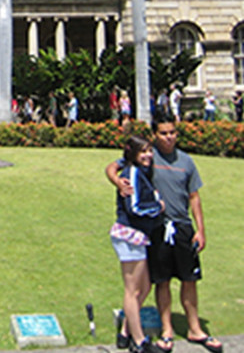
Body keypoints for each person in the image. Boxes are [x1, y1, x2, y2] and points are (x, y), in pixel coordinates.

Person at [106, 117, 222, 353]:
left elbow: (194, 197)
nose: (168, 137)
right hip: (157, 228)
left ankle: (194, 328)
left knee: (189, 278)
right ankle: (165, 330)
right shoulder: (145, 157)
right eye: (163, 133)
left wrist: (201, 229)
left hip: (182, 226)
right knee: (161, 280)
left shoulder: (186, 161)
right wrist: (118, 182)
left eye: (172, 132)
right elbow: (113, 167)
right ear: (155, 135)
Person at [110, 135, 165, 353]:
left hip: (140, 235)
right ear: (133, 153)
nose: (148, 155)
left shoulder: (141, 171)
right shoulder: (132, 172)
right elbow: (135, 207)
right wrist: (158, 207)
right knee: (132, 290)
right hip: (129, 234)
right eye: (143, 151)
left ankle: (125, 332)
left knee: (145, 287)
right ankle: (140, 341)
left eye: (150, 150)